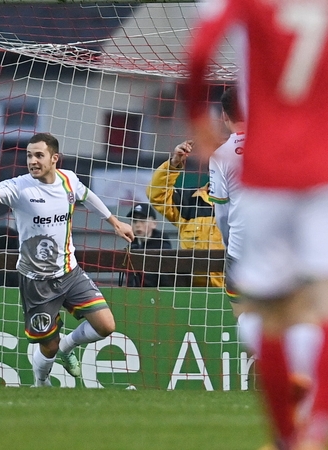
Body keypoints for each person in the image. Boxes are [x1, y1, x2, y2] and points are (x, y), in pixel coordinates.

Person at [187, 1, 328, 448]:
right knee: (321, 304)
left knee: (266, 315)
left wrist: (196, 116)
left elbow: (199, 50)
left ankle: (286, 435)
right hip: (320, 170)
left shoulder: (252, 5)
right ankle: (319, 421)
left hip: (267, 177)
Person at [0, 132, 134, 387]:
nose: (32, 161)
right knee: (48, 346)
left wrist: (115, 221)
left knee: (106, 326)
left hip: (70, 272)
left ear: (54, 158)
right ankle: (41, 383)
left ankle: (67, 346)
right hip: (37, 282)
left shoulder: (68, 179)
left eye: (39, 155)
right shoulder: (19, 187)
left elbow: (87, 195)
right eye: (29, 156)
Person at [206, 86, 261, 355]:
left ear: (224, 116)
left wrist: (230, 242)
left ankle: (263, 359)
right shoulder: (272, 142)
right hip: (279, 244)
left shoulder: (221, 156)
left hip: (240, 246)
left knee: (243, 312)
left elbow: (222, 213)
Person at [146, 140, 225, 287]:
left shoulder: (244, 205)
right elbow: (156, 195)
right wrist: (174, 163)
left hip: (233, 291)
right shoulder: (187, 200)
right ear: (210, 171)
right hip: (192, 292)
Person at [123, 202, 173, 288]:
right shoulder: (132, 245)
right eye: (134, 221)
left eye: (143, 220)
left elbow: (166, 279)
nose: (138, 225)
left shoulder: (162, 245)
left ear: (154, 223)